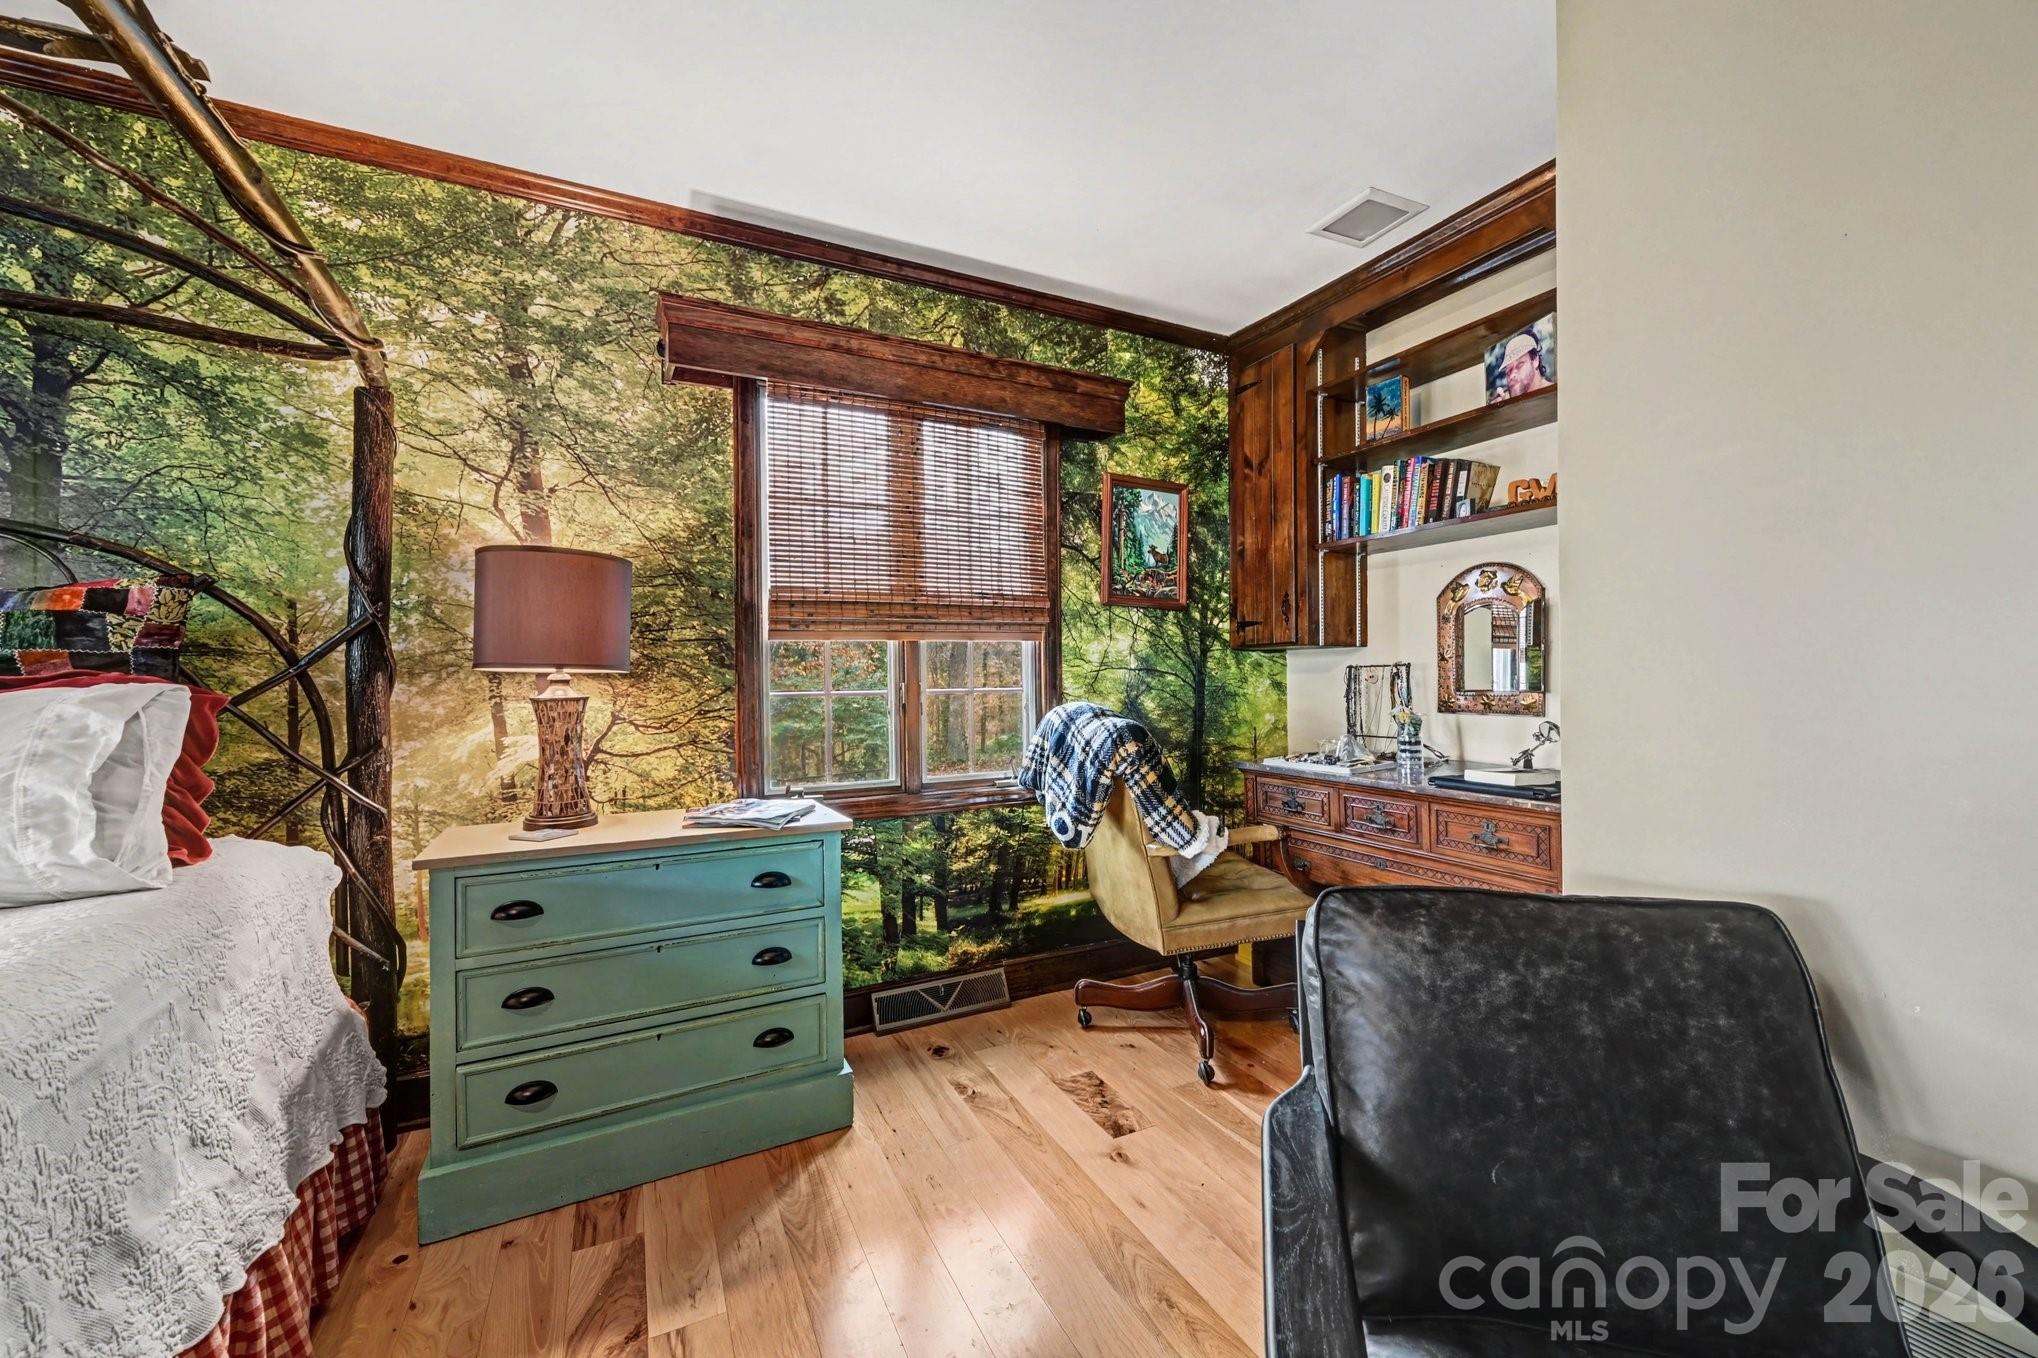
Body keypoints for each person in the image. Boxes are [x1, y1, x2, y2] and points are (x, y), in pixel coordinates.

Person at [1493, 328, 1553, 399]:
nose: (1512, 375)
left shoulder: (1554, 394)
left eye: (1519, 365)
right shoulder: (1504, 399)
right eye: (1508, 371)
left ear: (1535, 361)